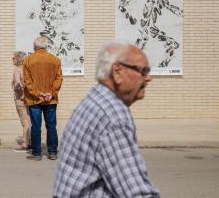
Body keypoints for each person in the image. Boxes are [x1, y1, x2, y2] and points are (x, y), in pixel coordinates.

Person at [53, 41, 160, 197]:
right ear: (117, 72)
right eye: (143, 71)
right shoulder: (113, 117)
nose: (148, 78)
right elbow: (136, 192)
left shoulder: (95, 99)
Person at [23, 36, 63, 161]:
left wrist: (37, 93)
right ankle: (52, 152)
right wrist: (51, 93)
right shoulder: (55, 60)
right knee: (51, 126)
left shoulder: (28, 60)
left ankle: (37, 152)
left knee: (36, 126)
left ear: (35, 46)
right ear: (46, 46)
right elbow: (59, 78)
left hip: (34, 99)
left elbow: (27, 81)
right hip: (51, 99)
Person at [11, 51, 30, 151]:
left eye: (13, 57)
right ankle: (29, 141)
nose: (12, 59)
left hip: (20, 98)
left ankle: (25, 144)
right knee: (28, 120)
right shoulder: (27, 69)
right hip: (29, 99)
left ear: (18, 59)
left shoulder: (17, 70)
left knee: (24, 121)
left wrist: (21, 93)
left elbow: (18, 83)